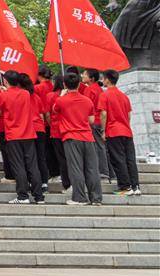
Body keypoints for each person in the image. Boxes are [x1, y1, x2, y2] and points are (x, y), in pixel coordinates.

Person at [53, 72, 102, 206]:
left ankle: (80, 197)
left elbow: (54, 110)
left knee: (76, 168)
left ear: (64, 84)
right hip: (87, 136)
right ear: (79, 84)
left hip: (71, 137)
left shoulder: (61, 100)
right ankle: (96, 198)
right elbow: (91, 120)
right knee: (92, 168)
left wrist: (62, 95)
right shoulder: (87, 100)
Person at [0, 71, 45, 204]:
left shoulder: (4, 95)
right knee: (32, 165)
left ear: (6, 81)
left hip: (13, 135)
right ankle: (39, 196)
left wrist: (4, 92)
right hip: (28, 133)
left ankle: (23, 195)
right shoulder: (25, 94)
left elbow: (0, 109)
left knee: (18, 166)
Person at [98, 69, 141, 196]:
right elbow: (128, 115)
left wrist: (103, 130)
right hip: (126, 131)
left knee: (118, 159)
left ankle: (124, 186)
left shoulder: (104, 95)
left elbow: (104, 114)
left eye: (103, 78)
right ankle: (135, 186)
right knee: (130, 159)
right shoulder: (124, 96)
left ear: (107, 79)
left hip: (113, 131)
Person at [79, 69, 110, 180]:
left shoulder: (89, 90)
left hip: (93, 121)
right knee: (101, 146)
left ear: (91, 78)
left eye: (85, 74)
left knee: (98, 147)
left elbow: (85, 107)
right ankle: (105, 171)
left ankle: (103, 171)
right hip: (98, 121)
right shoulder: (98, 89)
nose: (82, 75)